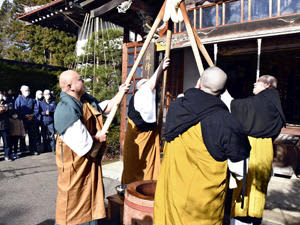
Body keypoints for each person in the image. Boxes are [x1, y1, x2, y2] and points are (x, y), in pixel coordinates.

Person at [154, 66, 251, 225]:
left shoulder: (177, 106)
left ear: (198, 84)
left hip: (172, 192)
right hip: (200, 204)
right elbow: (240, 169)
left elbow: (186, 95)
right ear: (223, 90)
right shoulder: (226, 121)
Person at [54, 70, 129, 225]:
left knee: (91, 199)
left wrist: (120, 93)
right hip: (75, 168)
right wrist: (97, 138)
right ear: (70, 86)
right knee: (73, 204)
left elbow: (103, 109)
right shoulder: (65, 109)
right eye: (80, 79)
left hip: (89, 164)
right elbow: (83, 145)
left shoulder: (84, 100)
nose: (83, 81)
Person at [221, 75, 286, 225]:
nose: (254, 83)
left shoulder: (261, 102)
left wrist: (223, 92)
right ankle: (254, 216)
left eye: (257, 82)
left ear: (267, 85)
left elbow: (235, 107)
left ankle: (240, 217)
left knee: (245, 181)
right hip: (266, 148)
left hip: (250, 146)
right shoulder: (274, 102)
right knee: (260, 184)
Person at [121, 58, 170, 185]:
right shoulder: (140, 95)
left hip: (146, 142)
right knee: (136, 174)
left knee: (150, 170)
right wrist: (160, 68)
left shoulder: (146, 100)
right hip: (137, 145)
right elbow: (149, 86)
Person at [14, 85, 39, 155]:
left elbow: (36, 108)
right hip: (22, 120)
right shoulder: (18, 99)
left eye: (28, 90)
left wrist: (32, 115)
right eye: (26, 90)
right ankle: (23, 150)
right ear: (22, 91)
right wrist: (24, 115)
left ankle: (33, 149)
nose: (27, 92)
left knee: (32, 135)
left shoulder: (32, 99)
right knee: (22, 136)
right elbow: (16, 109)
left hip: (31, 120)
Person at [0, 94, 11, 161]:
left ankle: (7, 155)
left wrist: (2, 107)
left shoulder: (5, 103)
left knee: (6, 143)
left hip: (4, 126)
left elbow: (4, 109)